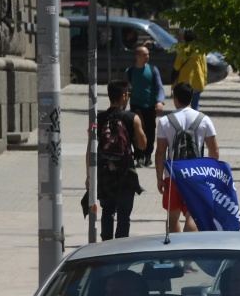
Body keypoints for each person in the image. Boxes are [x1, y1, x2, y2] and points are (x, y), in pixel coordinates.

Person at [155, 82, 220, 233]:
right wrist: (210, 175)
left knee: (172, 218)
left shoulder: (165, 121)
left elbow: (160, 152)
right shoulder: (204, 119)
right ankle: (189, 247)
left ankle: (175, 251)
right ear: (191, 98)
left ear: (175, 99)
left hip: (173, 175)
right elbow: (214, 150)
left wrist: (160, 177)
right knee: (193, 215)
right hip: (196, 175)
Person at [87, 80, 146, 241]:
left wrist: (89, 175)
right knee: (124, 215)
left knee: (107, 210)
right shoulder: (132, 118)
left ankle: (106, 244)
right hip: (126, 172)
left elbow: (90, 149)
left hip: (105, 172)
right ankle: (121, 247)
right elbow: (142, 145)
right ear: (124, 95)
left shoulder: (98, 119)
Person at [125, 45, 165, 167]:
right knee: (138, 129)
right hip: (136, 105)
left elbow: (160, 87)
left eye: (148, 54)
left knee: (150, 131)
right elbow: (125, 90)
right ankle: (139, 155)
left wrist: (160, 101)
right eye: (144, 55)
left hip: (150, 105)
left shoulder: (153, 70)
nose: (147, 57)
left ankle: (148, 155)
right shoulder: (130, 71)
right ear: (137, 56)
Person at [173, 29, 208, 111]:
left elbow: (176, 66)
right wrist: (204, 80)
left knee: (184, 104)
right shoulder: (200, 50)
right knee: (195, 104)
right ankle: (195, 121)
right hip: (198, 81)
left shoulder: (183, 50)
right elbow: (204, 68)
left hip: (185, 83)